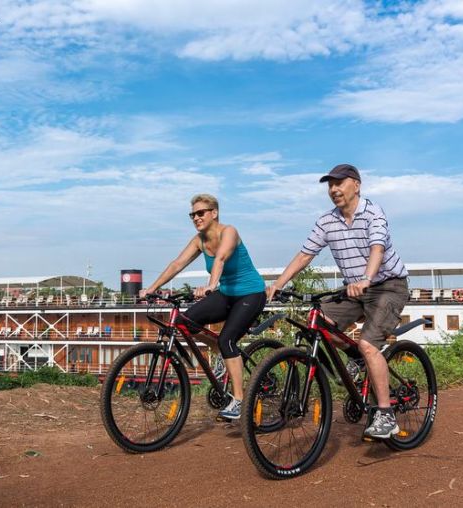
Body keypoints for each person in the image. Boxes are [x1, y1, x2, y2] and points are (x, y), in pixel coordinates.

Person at [266, 164, 409, 439]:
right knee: (318, 324)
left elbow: (377, 248)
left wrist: (367, 278)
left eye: (339, 183)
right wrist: (277, 284)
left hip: (387, 286)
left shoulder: (373, 212)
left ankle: (385, 414)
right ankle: (354, 356)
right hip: (353, 289)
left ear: (356, 184)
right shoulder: (326, 221)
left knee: (368, 344)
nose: (333, 189)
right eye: (329, 185)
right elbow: (304, 255)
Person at [140, 194, 267, 420]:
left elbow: (220, 258)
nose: (196, 218)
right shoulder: (199, 240)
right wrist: (152, 288)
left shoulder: (229, 232)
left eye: (200, 213)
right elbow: (177, 263)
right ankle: (220, 350)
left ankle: (238, 400)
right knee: (183, 322)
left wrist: (210, 285)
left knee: (227, 337)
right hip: (227, 294)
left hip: (251, 294)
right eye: (192, 214)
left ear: (214, 213)